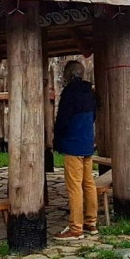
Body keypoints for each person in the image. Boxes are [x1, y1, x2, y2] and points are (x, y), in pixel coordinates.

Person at [52, 59, 98, 240]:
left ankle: (76, 228)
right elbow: (93, 117)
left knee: (74, 187)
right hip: (87, 142)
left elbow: (62, 120)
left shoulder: (69, 93)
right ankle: (91, 222)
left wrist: (57, 139)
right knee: (89, 184)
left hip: (73, 144)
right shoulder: (89, 92)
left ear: (68, 75)